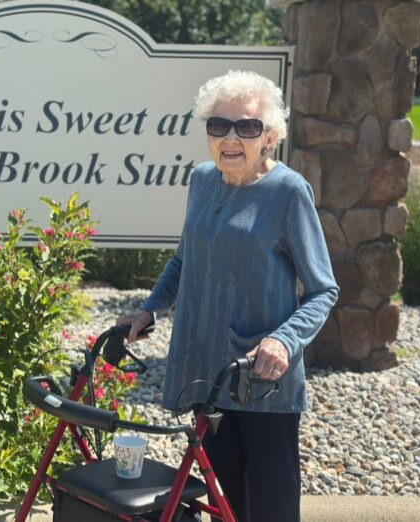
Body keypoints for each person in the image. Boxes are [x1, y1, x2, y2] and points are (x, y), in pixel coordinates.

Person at [116, 70, 338, 522]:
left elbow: (322, 290)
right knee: (222, 503)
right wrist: (149, 310)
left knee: (270, 507)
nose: (231, 138)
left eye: (247, 127)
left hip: (260, 379)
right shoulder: (202, 180)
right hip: (207, 374)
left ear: (269, 136)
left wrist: (284, 341)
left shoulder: (288, 192)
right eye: (218, 125)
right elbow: (184, 262)